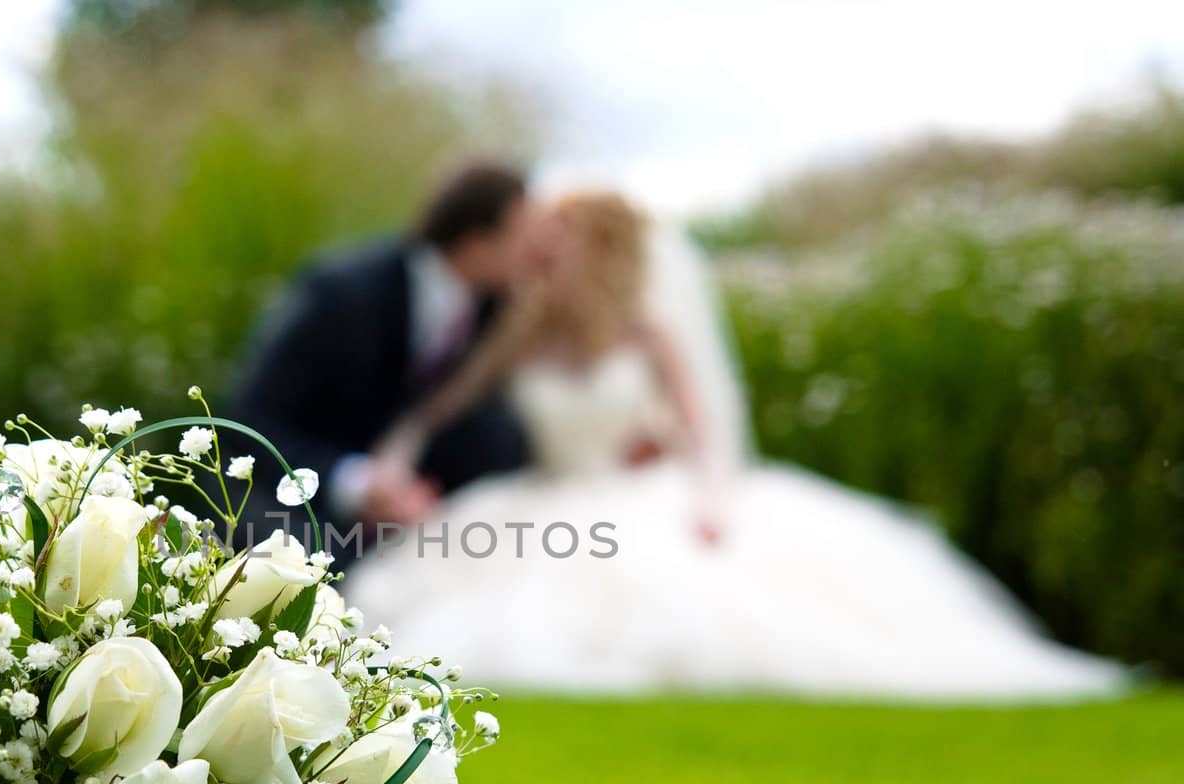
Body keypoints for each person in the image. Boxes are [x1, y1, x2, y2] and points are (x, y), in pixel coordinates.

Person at [342, 191, 1126, 700]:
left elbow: (703, 429)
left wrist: (711, 498)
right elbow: (438, 407)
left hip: (643, 491)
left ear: (597, 245)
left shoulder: (645, 330)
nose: (540, 254)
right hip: (550, 495)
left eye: (557, 240)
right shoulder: (523, 332)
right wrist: (394, 464)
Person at [227, 161, 546, 561]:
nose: (537, 251)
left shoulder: (496, 309)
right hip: (301, 506)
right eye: (525, 234)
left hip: (423, 510)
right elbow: (247, 421)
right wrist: (356, 484)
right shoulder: (340, 293)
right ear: (478, 241)